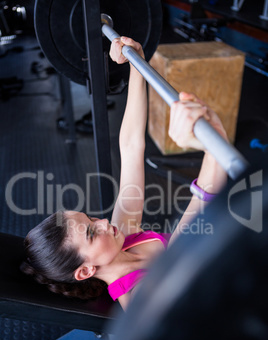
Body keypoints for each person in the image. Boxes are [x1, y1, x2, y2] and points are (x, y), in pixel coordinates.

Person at [20, 37, 228, 310]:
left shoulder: (124, 238)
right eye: (93, 233)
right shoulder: (141, 297)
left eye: (92, 218)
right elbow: (199, 208)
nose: (104, 221)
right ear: (85, 272)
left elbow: (130, 147)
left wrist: (136, 65)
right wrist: (213, 142)